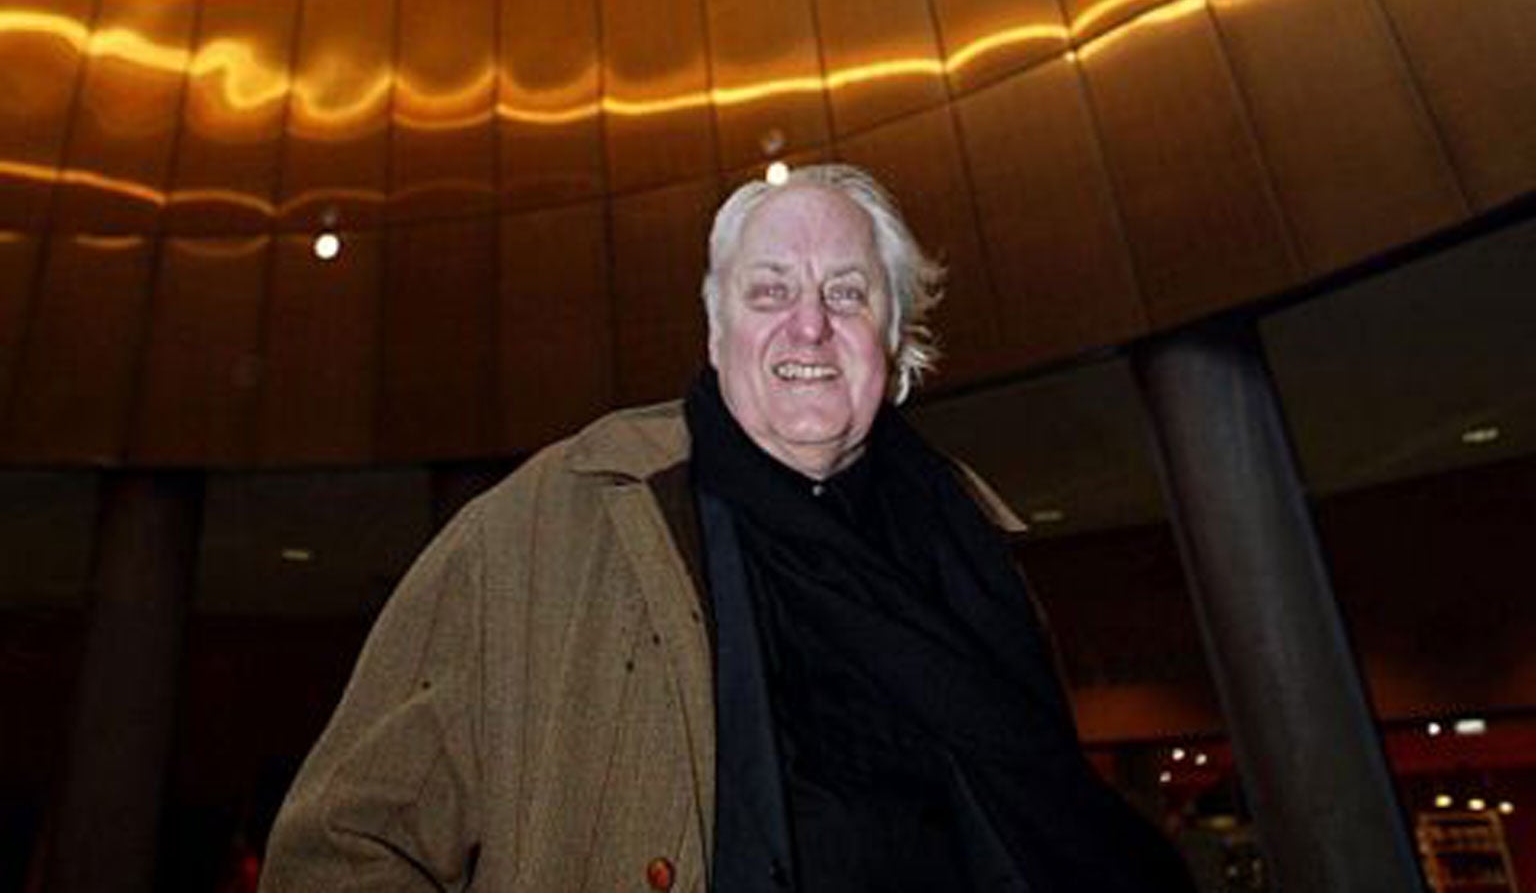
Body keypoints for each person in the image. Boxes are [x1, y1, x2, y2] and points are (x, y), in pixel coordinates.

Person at [260, 164, 1193, 892]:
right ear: (715, 333)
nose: (810, 328)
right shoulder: (542, 529)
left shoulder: (980, 562)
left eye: (847, 293)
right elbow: (345, 846)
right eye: (770, 292)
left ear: (897, 338)